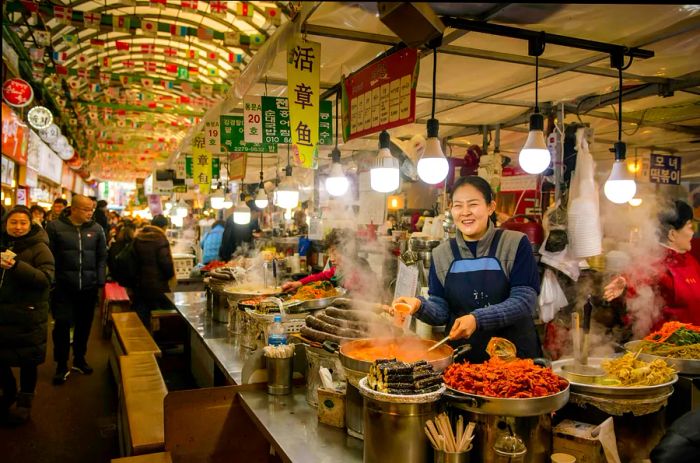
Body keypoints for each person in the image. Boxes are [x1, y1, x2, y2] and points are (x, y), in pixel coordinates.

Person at [391, 176, 541, 363]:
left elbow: (525, 300)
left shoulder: (515, 243)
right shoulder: (442, 253)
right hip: (464, 362)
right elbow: (441, 310)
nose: (465, 212)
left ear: (490, 207)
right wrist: (419, 305)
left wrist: (477, 319)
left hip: (515, 360)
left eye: (473, 204)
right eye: (458, 206)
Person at [604, 200, 700, 329]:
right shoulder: (656, 261)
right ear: (672, 234)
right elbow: (638, 275)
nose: (692, 233)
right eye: (689, 227)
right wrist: (624, 281)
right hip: (666, 344)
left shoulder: (689, 259)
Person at [0, 206, 54, 425]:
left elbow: (46, 279)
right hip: (3, 315)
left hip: (28, 316)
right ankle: (9, 391)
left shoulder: (40, 247)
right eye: (13, 222)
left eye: (23, 222)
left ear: (31, 224)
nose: (18, 227)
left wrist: (16, 266)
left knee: (28, 362)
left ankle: (25, 403)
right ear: (5, 224)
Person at [45, 195, 107, 384]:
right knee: (62, 324)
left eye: (92, 210)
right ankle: (61, 364)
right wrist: (53, 280)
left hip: (88, 287)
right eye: (86, 209)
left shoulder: (97, 229)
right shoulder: (55, 227)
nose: (90, 213)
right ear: (73, 209)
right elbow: (49, 256)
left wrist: (100, 280)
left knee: (84, 325)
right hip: (63, 287)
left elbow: (102, 257)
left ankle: (79, 359)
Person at [281, 228, 374, 294]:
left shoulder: (358, 271)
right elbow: (322, 276)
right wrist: (298, 283)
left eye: (334, 253)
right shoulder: (341, 269)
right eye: (329, 254)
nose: (331, 259)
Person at [131, 215, 176, 328]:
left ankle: (143, 339)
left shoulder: (138, 237)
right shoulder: (160, 239)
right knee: (166, 313)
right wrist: (170, 276)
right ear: (165, 227)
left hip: (140, 284)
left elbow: (133, 260)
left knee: (143, 314)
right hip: (158, 285)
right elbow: (166, 262)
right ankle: (163, 341)